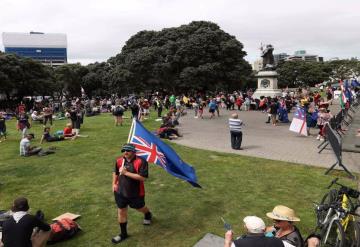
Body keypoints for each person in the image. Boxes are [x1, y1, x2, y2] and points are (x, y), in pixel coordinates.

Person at [112, 143, 152, 244]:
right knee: (121, 211)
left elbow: (143, 177)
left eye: (128, 151)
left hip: (136, 193)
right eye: (124, 150)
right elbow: (115, 172)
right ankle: (123, 234)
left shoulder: (141, 162)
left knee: (139, 208)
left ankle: (147, 214)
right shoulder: (119, 161)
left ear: (134, 152)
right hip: (120, 191)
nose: (125, 152)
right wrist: (113, 184)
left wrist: (126, 173)